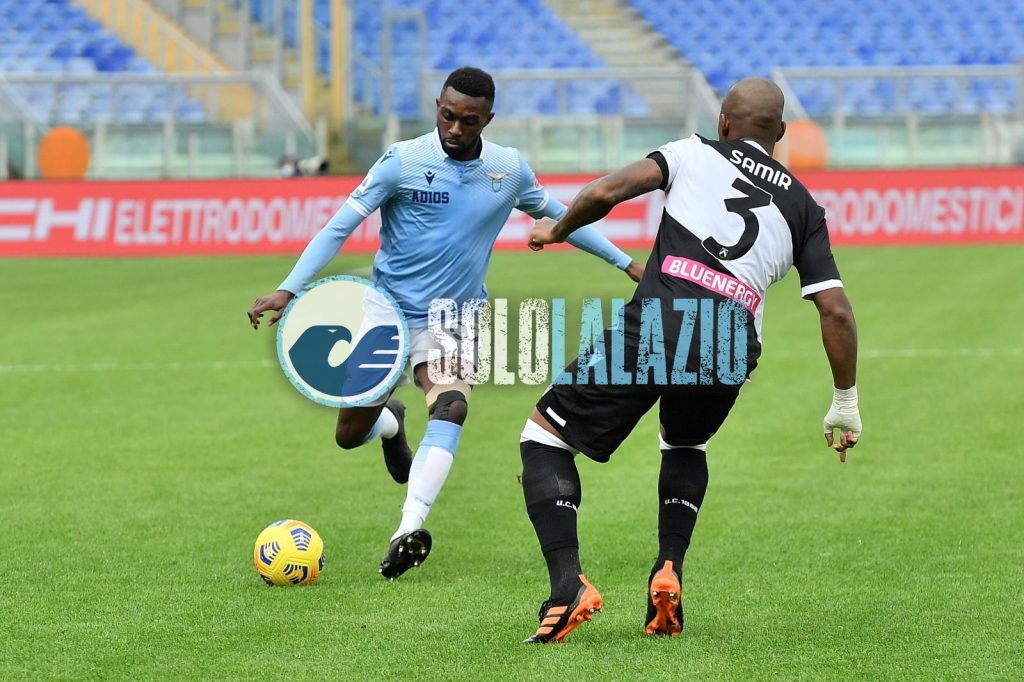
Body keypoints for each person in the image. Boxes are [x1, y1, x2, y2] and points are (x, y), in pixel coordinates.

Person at [247, 66, 643, 580]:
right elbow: (340, 226)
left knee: (451, 405)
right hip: (386, 315)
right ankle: (391, 424)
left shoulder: (507, 169)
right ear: (438, 107)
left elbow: (564, 217)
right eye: (448, 116)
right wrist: (289, 287)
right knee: (348, 434)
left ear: (488, 119)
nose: (455, 128)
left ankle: (407, 530)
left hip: (454, 317)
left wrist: (626, 264)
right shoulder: (402, 161)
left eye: (469, 121)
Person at [517, 77, 862, 643]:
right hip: (731, 342)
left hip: (663, 319)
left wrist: (558, 228)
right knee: (684, 444)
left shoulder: (692, 152)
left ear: (724, 122)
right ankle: (668, 568)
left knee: (544, 438)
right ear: (780, 133)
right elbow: (837, 311)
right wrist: (844, 402)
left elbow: (606, 192)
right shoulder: (805, 206)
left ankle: (566, 587)